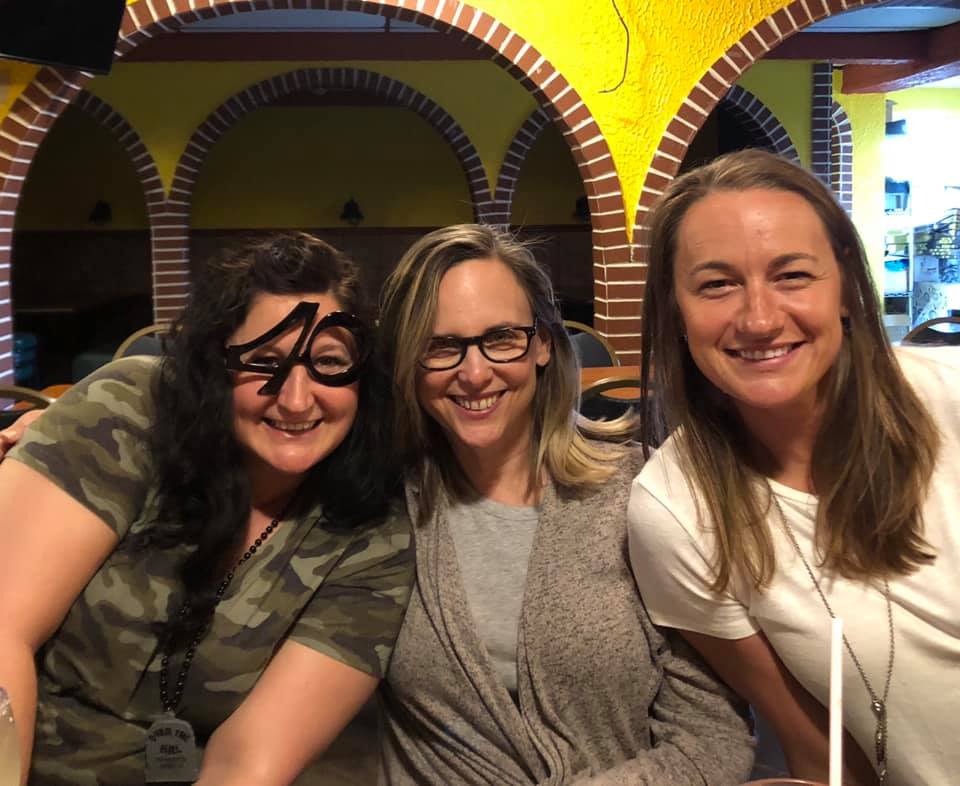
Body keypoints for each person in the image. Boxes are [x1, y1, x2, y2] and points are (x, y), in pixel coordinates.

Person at [0, 233, 415, 786]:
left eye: (329, 362)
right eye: (263, 361)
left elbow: (248, 761)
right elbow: (4, 632)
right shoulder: (129, 412)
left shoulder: (373, 532)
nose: (296, 399)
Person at [374, 223, 755, 785]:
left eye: (502, 337)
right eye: (441, 346)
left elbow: (715, 739)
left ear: (544, 344)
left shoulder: (641, 496)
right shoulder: (382, 509)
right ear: (408, 360)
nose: (474, 373)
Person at [627, 149, 960, 786]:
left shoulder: (950, 400)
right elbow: (821, 753)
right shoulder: (674, 508)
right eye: (717, 284)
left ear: (846, 286)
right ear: (675, 312)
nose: (759, 319)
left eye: (793, 275)